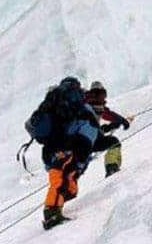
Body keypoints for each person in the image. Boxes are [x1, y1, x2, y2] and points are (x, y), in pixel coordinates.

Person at [39, 77, 101, 230]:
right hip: (66, 147)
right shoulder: (77, 105)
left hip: (52, 148)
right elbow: (87, 128)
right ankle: (52, 213)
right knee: (61, 178)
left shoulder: (53, 106)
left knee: (66, 181)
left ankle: (55, 207)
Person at [85, 81, 133, 177]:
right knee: (114, 142)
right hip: (88, 142)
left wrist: (108, 127)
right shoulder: (95, 103)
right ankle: (111, 168)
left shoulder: (83, 103)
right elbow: (108, 114)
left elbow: (89, 126)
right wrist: (122, 121)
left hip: (77, 141)